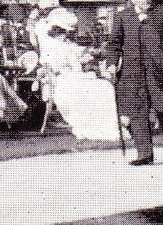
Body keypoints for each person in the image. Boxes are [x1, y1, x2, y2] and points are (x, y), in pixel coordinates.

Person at [104, 0, 163, 166]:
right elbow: (114, 44)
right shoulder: (122, 16)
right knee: (138, 113)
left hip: (157, 71)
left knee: (162, 109)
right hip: (131, 73)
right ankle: (145, 154)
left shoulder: (162, 13)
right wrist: (111, 63)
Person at [38, 8, 121, 144]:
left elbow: (78, 56)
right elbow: (59, 66)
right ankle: (95, 125)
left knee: (104, 87)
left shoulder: (63, 45)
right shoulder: (54, 46)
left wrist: (84, 60)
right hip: (61, 82)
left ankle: (107, 124)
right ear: (58, 31)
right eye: (64, 32)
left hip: (71, 78)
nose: (66, 35)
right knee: (96, 88)